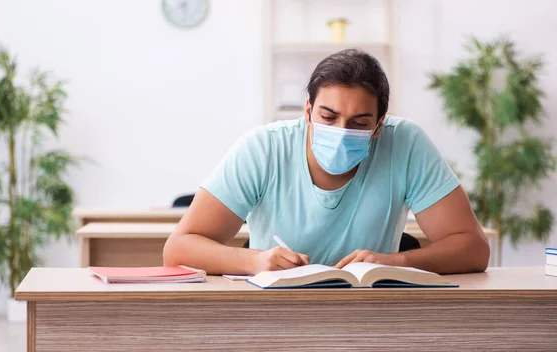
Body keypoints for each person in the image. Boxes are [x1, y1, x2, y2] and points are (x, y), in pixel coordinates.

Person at [164, 49, 489, 275]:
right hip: (274, 313)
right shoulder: (263, 148)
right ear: (307, 112)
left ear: (378, 125)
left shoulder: (405, 142)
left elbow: (473, 248)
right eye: (328, 117)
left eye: (360, 123)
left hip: (370, 316)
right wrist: (253, 261)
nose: (341, 131)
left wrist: (397, 262)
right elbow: (179, 249)